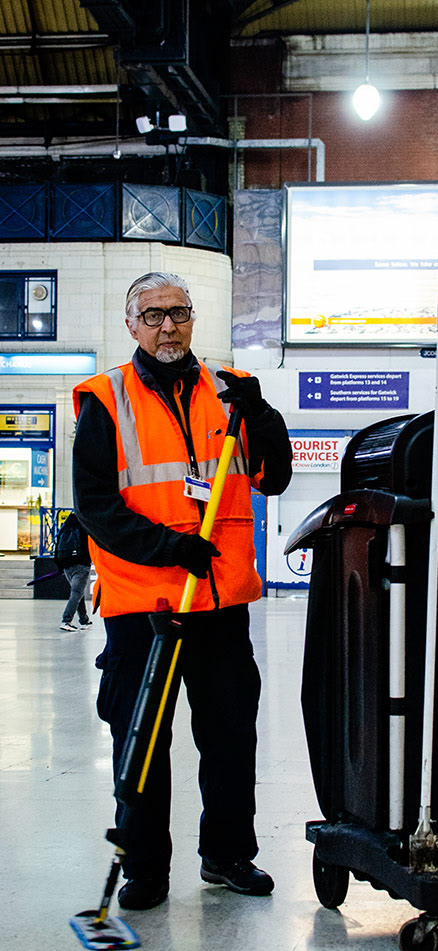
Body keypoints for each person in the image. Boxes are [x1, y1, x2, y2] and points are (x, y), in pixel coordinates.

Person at [72, 271, 293, 911]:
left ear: (192, 319)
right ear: (131, 324)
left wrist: (265, 417)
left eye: (178, 313)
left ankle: (227, 856)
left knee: (229, 733)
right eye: (153, 315)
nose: (167, 326)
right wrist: (171, 549)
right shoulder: (105, 400)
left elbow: (272, 476)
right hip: (145, 605)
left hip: (218, 603)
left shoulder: (231, 392)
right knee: (142, 738)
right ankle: (145, 867)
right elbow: (96, 508)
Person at [54, 511, 93, 631]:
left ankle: (84, 620)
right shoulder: (84, 528)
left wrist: (60, 566)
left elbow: (57, 549)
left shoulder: (64, 529)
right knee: (76, 593)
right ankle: (66, 620)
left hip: (66, 566)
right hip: (81, 565)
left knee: (78, 593)